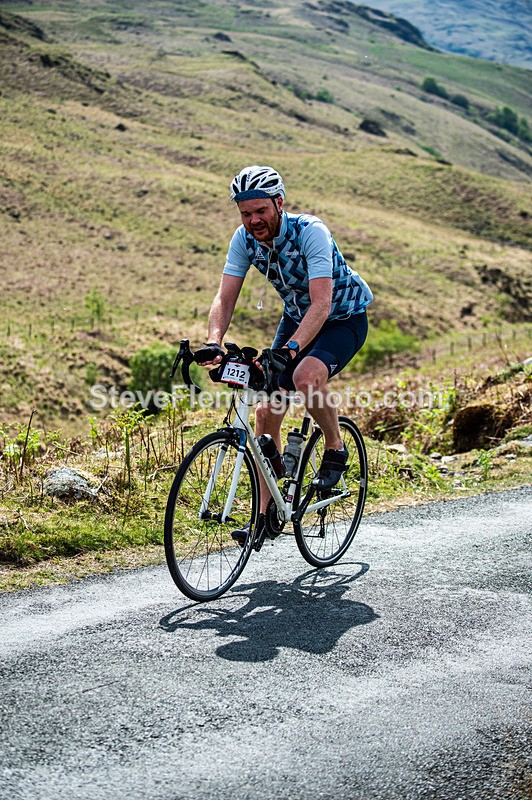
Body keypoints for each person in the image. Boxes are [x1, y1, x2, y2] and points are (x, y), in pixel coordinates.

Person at [197, 165, 373, 544]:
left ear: (279, 203)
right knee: (265, 412)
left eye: (261, 210)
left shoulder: (311, 232)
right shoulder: (245, 240)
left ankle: (335, 447)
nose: (253, 220)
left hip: (342, 317)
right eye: (245, 213)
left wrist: (290, 350)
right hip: (297, 319)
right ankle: (267, 514)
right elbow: (224, 297)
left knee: (305, 378)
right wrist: (214, 340)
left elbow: (322, 304)